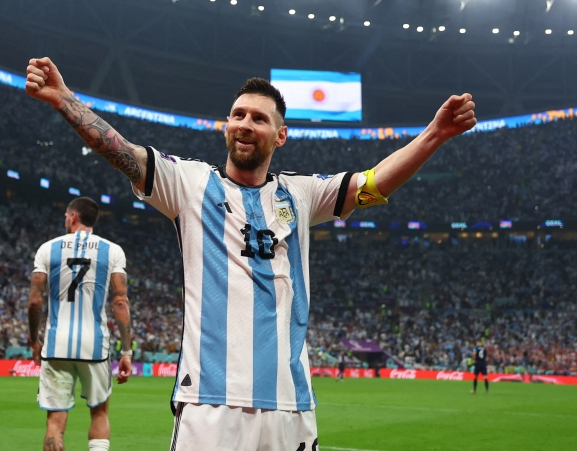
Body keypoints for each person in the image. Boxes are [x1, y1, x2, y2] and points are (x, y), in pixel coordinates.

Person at [25, 57, 476, 451]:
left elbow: (372, 184)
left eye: (259, 118)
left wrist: (434, 134)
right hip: (209, 403)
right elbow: (122, 151)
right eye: (238, 114)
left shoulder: (301, 193)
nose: (245, 123)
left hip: (290, 405)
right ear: (226, 124)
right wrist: (65, 99)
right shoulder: (189, 184)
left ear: (280, 135)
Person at [28, 196, 133, 451]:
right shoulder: (113, 251)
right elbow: (120, 302)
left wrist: (34, 340)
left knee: (54, 421)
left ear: (73, 217)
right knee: (99, 413)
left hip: (56, 344)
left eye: (66, 216)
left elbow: (34, 301)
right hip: (95, 346)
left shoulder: (47, 249)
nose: (65, 220)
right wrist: (127, 351)